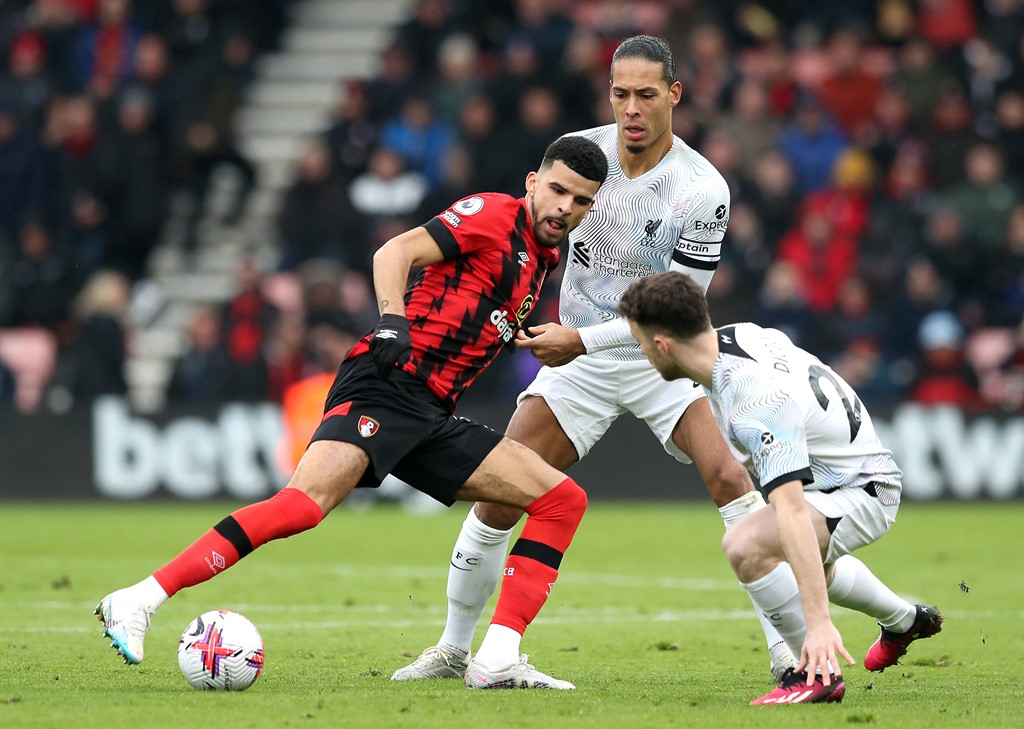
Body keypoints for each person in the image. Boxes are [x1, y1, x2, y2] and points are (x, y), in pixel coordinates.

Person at [95, 135, 609, 691]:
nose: (565, 208)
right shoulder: (493, 213)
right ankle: (140, 599)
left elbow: (478, 313)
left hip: (432, 412)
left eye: (581, 201)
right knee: (303, 506)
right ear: (534, 183)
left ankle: (497, 658)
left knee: (561, 500)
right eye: (557, 191)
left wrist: (528, 338)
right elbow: (394, 252)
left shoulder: (543, 258)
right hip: (388, 384)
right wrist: (392, 320)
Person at [392, 35, 795, 683]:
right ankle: (453, 648)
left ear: (674, 94)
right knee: (500, 498)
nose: (630, 108)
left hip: (665, 354)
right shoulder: (579, 158)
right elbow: (527, 232)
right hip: (576, 355)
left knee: (731, 479)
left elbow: (680, 304)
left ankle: (788, 651)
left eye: (644, 94)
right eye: (619, 94)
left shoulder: (702, 189)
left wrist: (580, 338)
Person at [618, 271, 943, 705]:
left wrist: (819, 625)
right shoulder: (740, 336)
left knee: (746, 545)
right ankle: (906, 621)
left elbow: (791, 512)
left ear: (662, 345)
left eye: (641, 342)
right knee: (812, 569)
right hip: (844, 472)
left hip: (862, 489)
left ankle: (814, 672)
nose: (641, 351)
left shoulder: (756, 403)